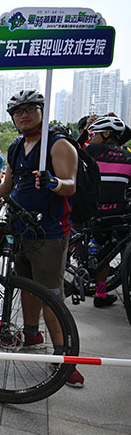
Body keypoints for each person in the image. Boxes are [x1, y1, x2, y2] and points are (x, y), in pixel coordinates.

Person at [0, 89, 84, 388]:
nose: (23, 115)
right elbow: (7, 186)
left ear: (42, 111)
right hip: (19, 228)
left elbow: (70, 185)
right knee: (26, 286)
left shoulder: (58, 144)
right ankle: (31, 334)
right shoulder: (16, 147)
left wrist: (54, 182)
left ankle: (65, 357)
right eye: (18, 111)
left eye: (30, 109)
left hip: (49, 232)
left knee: (50, 295)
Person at [84, 116, 131, 307]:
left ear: (105, 133)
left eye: (93, 134)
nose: (91, 138)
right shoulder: (128, 157)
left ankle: (98, 291)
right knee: (109, 253)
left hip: (93, 213)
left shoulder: (92, 150)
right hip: (119, 216)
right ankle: (101, 294)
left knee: (97, 249)